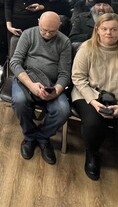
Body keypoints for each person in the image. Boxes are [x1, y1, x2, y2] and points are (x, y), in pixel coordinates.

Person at [71, 13, 118, 191]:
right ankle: (92, 155)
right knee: (93, 123)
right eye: (104, 29)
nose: (108, 33)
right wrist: (94, 101)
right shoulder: (86, 48)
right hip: (89, 95)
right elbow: (78, 78)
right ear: (97, 30)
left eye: (113, 29)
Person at [11, 12, 72, 165]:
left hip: (51, 84)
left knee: (63, 111)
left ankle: (42, 136)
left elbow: (65, 74)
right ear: (38, 22)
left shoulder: (64, 42)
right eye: (44, 29)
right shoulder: (28, 34)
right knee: (19, 102)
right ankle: (30, 136)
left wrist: (56, 91)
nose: (47, 34)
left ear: (59, 26)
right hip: (27, 79)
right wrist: (31, 85)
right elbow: (15, 63)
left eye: (52, 31)